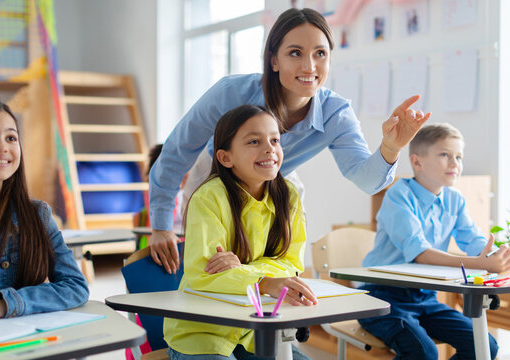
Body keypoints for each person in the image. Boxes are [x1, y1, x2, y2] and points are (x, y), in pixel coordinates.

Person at [148, 7, 431, 274]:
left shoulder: (336, 113)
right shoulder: (230, 93)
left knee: (279, 248)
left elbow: (367, 180)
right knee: (212, 267)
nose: (309, 66)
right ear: (274, 60)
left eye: (320, 53)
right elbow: (177, 151)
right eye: (295, 53)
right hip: (216, 173)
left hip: (276, 177)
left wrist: (391, 147)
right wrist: (161, 226)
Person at [163, 104, 317, 359]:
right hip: (202, 333)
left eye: (275, 140)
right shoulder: (208, 198)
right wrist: (265, 281)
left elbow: (291, 265)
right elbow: (205, 276)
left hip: (255, 331)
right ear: (225, 157)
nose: (269, 149)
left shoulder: (288, 196)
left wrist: (241, 271)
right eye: (254, 141)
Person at [359, 123, 510, 359]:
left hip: (425, 298)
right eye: (445, 155)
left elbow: (474, 240)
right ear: (417, 162)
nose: (455, 163)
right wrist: (483, 264)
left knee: (485, 346)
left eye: (459, 157)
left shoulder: (455, 199)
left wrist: (496, 256)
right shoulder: (399, 195)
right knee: (423, 352)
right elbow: (421, 253)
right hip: (381, 297)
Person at [0, 96, 89, 319]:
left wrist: (5, 304)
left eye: (11, 138)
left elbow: (75, 286)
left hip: (15, 339)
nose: (1, 147)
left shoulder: (37, 215)